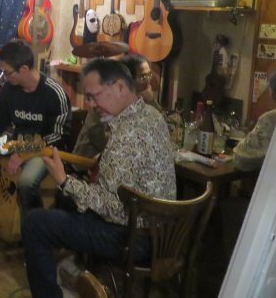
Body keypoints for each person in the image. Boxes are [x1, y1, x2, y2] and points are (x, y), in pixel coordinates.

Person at [22, 58, 176, 297]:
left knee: (35, 223)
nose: (90, 104)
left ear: (120, 87)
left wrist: (64, 180)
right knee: (68, 203)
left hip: (133, 237)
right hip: (163, 232)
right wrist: (103, 162)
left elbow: (111, 208)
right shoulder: (152, 115)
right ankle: (80, 272)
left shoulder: (126, 135)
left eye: (94, 96)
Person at [0, 40, 71, 224]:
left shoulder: (54, 93)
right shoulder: (9, 90)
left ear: (24, 69)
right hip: (16, 142)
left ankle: (35, 226)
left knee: (26, 181)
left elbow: (59, 136)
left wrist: (24, 153)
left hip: (45, 149)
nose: (4, 76)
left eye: (7, 72)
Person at [72, 53, 156, 158]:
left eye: (149, 75)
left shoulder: (140, 100)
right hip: (85, 163)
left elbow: (158, 127)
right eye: (143, 77)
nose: (148, 81)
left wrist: (151, 101)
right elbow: (107, 141)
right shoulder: (105, 103)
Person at [233, 64, 276, 171]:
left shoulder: (270, 119)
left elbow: (242, 159)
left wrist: (238, 147)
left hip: (270, 177)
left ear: (274, 94)